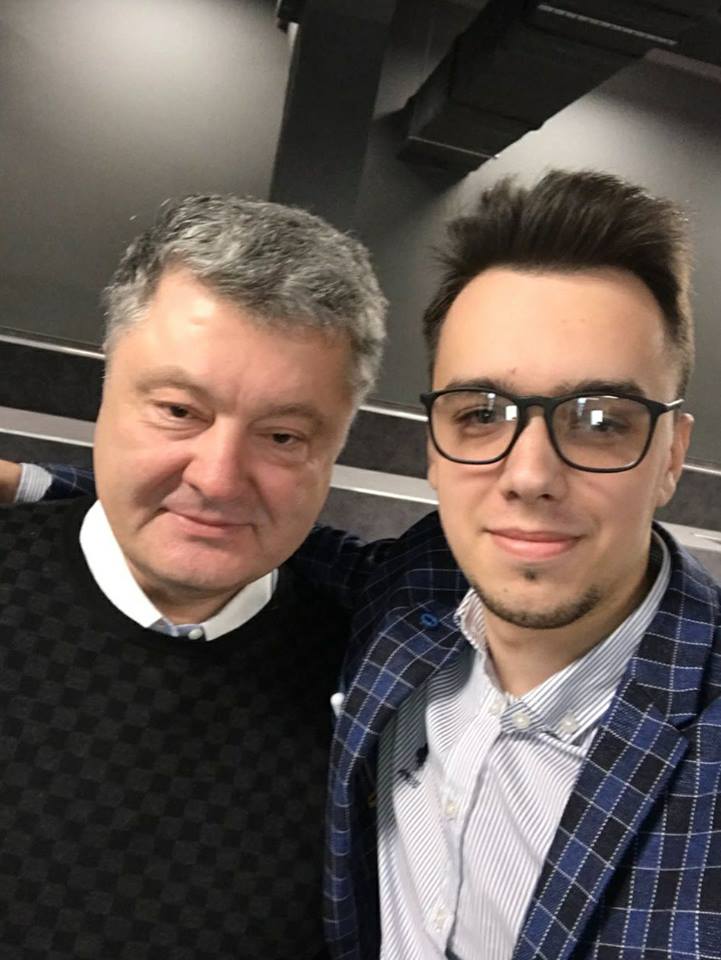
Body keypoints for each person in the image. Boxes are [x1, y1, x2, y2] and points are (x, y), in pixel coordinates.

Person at [7, 169, 721, 960]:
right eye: (481, 414)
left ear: (671, 455)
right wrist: (42, 485)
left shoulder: (369, 624)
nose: (528, 474)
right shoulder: (409, 600)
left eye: (599, 421)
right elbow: (218, 523)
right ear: (433, 445)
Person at [0, 193, 386, 959]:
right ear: (106, 389)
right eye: (179, 411)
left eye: (282, 436)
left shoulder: (379, 696)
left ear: (336, 445)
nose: (218, 478)